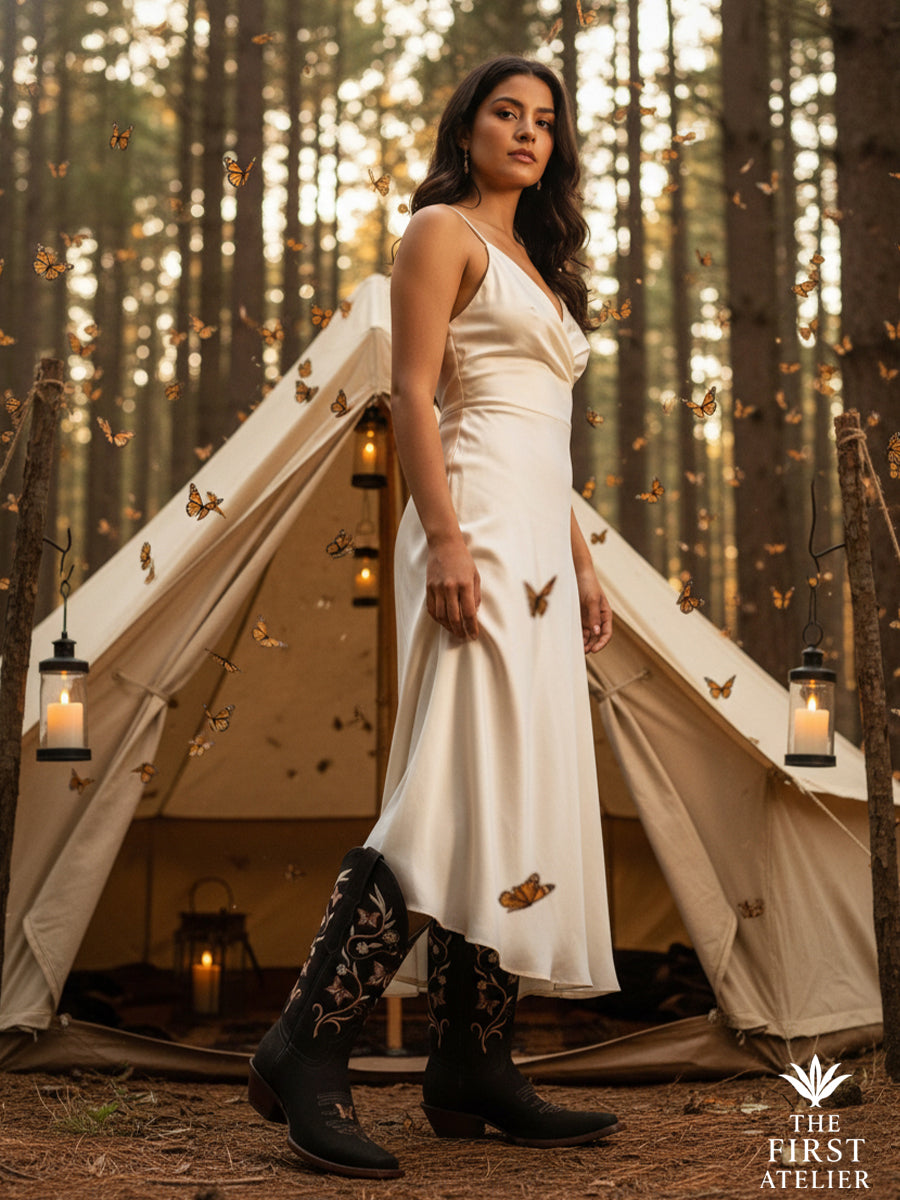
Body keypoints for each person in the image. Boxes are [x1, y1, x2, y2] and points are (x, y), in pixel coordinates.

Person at [249, 54, 620, 1180]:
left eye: (544, 119)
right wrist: (447, 538)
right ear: (467, 130)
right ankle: (304, 1045)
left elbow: (545, 443)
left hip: (539, 540)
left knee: (513, 790)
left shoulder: (540, 264)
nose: (528, 131)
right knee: (453, 781)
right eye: (507, 112)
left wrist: (584, 562)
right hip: (476, 527)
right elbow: (412, 391)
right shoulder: (440, 233)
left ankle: (472, 1064)